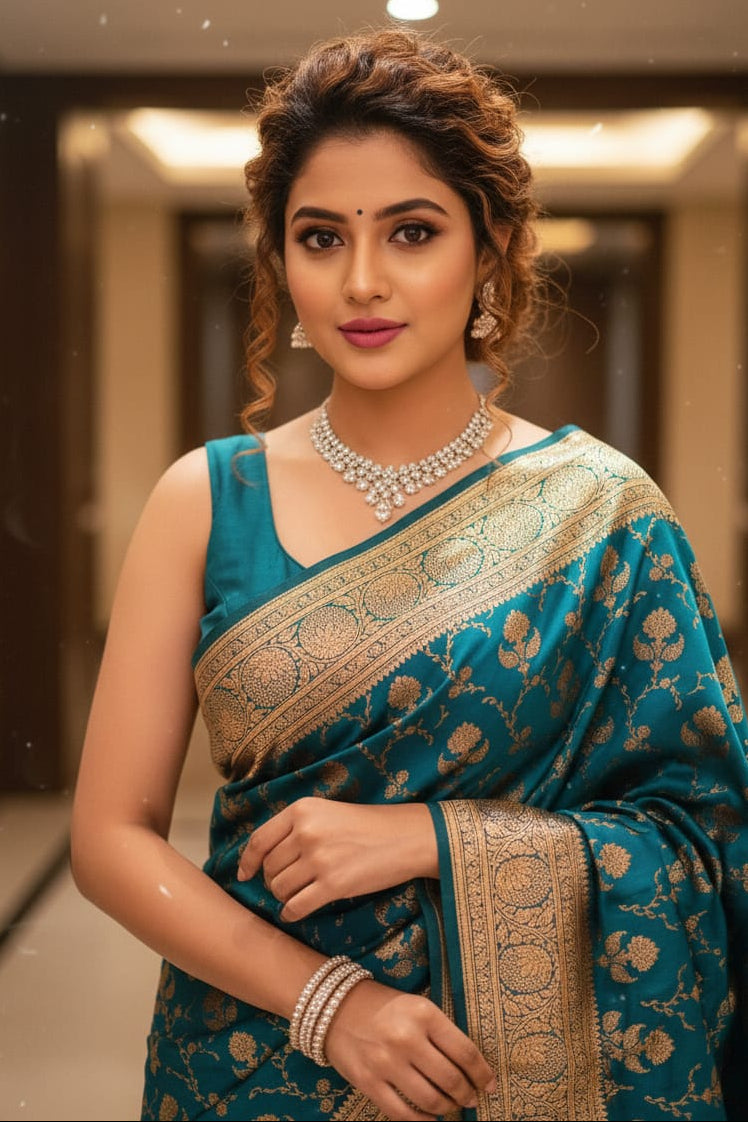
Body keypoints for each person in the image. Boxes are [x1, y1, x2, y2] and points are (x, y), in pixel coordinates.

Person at [70, 26, 748, 1122]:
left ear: (487, 253)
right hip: (251, 1057)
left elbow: (705, 837)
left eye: (413, 231)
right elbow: (108, 839)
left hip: (509, 1075)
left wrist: (433, 838)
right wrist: (331, 1002)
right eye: (321, 237)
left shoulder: (602, 513)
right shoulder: (205, 497)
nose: (365, 280)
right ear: (281, 264)